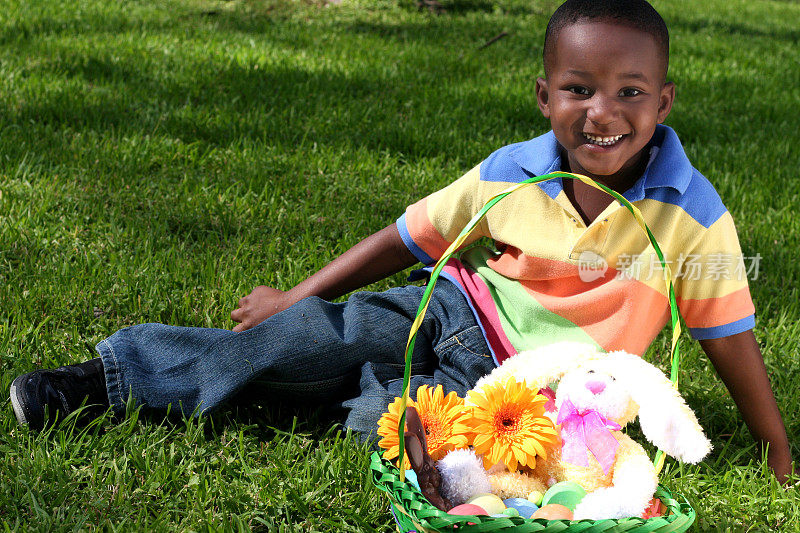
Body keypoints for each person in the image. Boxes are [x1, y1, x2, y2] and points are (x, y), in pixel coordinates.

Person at [10, 0, 791, 483]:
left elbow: (729, 337)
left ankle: (364, 391)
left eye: (629, 93)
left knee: (389, 431)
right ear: (545, 95)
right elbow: (404, 238)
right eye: (579, 89)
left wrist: (777, 452)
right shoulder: (507, 175)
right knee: (300, 340)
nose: (602, 113)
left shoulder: (693, 215)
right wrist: (296, 295)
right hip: (447, 311)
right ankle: (103, 381)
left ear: (664, 100)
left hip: (518, 394)